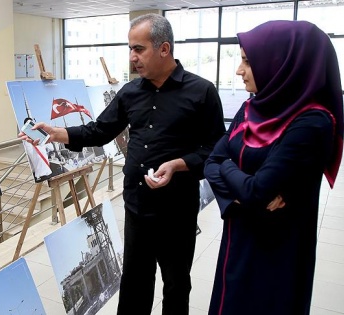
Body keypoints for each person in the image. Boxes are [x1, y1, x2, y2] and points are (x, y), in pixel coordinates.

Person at [19, 13, 225, 314]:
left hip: (177, 211)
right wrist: (60, 133)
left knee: (177, 285)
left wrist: (179, 164)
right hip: (137, 207)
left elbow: (216, 150)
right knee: (134, 287)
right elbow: (99, 131)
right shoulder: (130, 93)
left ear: (164, 49)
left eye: (138, 49)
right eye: (130, 49)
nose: (132, 58)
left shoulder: (201, 92)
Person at [203, 20, 343, 315]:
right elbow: (211, 162)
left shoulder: (311, 123)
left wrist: (230, 169)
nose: (239, 71)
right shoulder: (251, 108)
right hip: (238, 238)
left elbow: (254, 189)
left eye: (247, 62)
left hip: (275, 251)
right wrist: (236, 194)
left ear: (281, 64)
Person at [23, 118, 52, 182]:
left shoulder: (25, 142)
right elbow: (51, 148)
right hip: (46, 172)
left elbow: (29, 160)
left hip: (38, 174)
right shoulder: (40, 137)